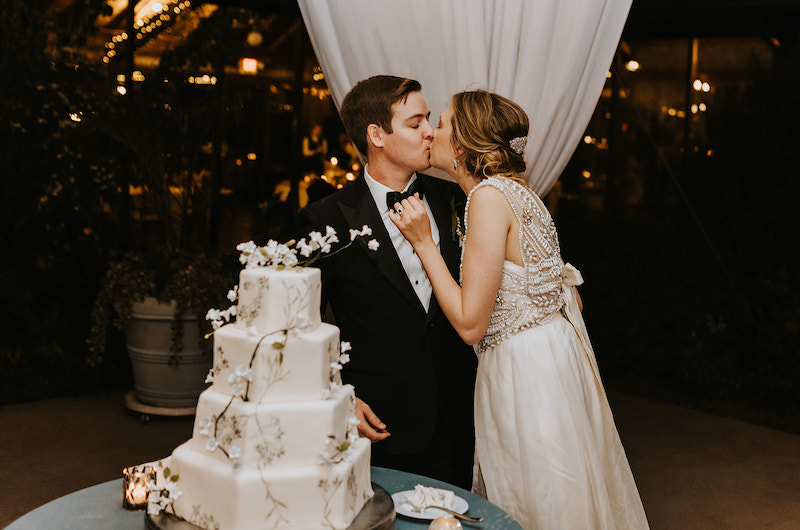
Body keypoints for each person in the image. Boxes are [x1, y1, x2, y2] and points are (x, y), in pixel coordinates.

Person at [389, 90, 649, 529]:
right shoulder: (520, 193)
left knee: (535, 500)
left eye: (446, 123)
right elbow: (564, 291)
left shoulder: (488, 198)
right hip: (549, 361)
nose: (433, 131)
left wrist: (424, 244)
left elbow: (472, 325)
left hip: (524, 375)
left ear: (465, 143)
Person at [297, 75, 478, 489]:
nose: (430, 132)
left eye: (429, 120)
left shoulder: (457, 200)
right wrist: (337, 396)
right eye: (415, 124)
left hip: (459, 414)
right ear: (376, 135)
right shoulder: (326, 219)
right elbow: (297, 325)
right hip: (378, 422)